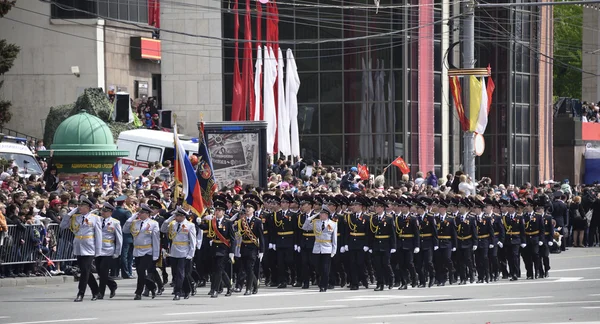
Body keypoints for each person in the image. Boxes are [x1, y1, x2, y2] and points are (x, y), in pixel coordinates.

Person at [59, 197, 102, 302]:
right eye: (79, 206)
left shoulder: (95, 218)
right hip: (78, 246)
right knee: (85, 270)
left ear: (87, 207)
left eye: (82, 206)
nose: (79, 207)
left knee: (85, 271)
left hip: (90, 246)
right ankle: (96, 291)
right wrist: (70, 214)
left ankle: (80, 293)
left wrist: (98, 250)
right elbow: (62, 225)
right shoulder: (75, 218)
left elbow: (99, 235)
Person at [123, 203, 160, 300]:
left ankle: (138, 293)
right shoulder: (135, 223)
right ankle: (152, 286)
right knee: (141, 274)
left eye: (142, 212)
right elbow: (125, 230)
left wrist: (156, 254)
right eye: (139, 212)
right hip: (137, 250)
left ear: (147, 213)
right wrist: (132, 217)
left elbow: (156, 240)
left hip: (148, 251)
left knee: (141, 271)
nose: (140, 214)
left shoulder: (153, 223)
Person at [201, 198, 235, 298]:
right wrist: (199, 221)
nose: (217, 212)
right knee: (218, 269)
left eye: (219, 210)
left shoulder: (228, 222)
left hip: (223, 249)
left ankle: (215, 289)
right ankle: (229, 286)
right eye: (216, 210)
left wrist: (231, 251)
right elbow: (205, 228)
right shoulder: (212, 221)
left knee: (219, 270)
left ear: (223, 212)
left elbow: (232, 238)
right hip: (214, 249)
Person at [161, 206, 197, 300]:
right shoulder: (173, 224)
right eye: (175, 215)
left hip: (184, 252)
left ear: (183, 216)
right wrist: (170, 218)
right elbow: (163, 229)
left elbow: (193, 241)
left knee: (181, 273)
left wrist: (191, 254)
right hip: (174, 252)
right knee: (176, 273)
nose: (175, 217)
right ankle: (187, 289)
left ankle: (178, 292)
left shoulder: (190, 225)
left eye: (177, 216)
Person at [302, 207, 337, 292]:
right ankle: (320, 281)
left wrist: (334, 250)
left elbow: (334, 238)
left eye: (322, 213)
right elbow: (304, 227)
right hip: (317, 248)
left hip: (327, 248)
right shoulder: (315, 222)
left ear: (327, 215)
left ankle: (323, 286)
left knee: (325, 268)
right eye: (320, 213)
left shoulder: (333, 224)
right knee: (317, 267)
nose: (321, 215)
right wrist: (312, 216)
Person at [237, 198, 264, 295]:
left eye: (250, 207)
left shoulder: (257, 221)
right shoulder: (241, 221)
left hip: (253, 247)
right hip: (244, 246)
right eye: (246, 207)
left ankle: (248, 288)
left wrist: (261, 250)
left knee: (250, 268)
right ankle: (255, 285)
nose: (247, 209)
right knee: (245, 268)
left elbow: (261, 237)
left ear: (254, 209)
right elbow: (237, 233)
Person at [368, 197, 396, 291]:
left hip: (386, 244)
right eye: (376, 207)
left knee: (386, 264)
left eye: (379, 207)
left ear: (383, 208)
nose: (377, 209)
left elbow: (392, 233)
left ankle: (391, 279)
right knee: (377, 265)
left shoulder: (389, 218)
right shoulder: (373, 218)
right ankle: (380, 283)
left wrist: (393, 246)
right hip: (376, 244)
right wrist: (370, 246)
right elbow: (371, 233)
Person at [96, 201, 122, 299]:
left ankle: (100, 292)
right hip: (98, 249)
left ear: (110, 212)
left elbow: (119, 238)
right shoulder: (97, 220)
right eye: (102, 210)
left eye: (105, 211)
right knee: (99, 271)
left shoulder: (115, 222)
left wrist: (117, 252)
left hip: (108, 249)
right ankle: (112, 285)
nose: (103, 212)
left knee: (103, 271)